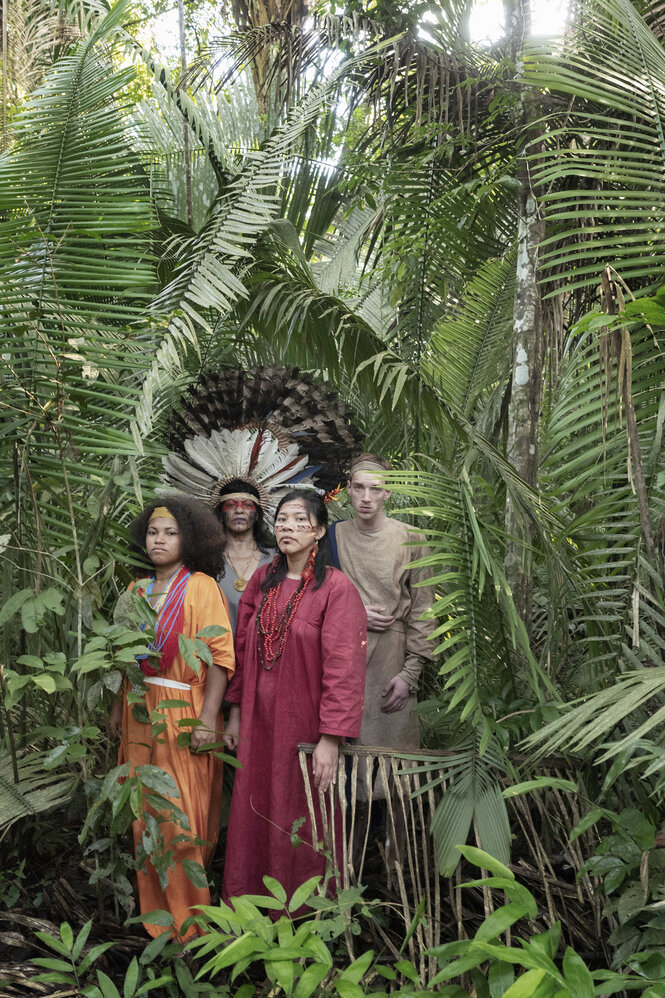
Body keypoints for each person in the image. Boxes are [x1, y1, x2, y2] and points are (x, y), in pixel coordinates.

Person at [222, 489, 366, 906]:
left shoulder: (336, 589)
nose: (287, 527)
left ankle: (306, 915)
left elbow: (345, 670)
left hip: (304, 725)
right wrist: (234, 715)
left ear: (320, 530)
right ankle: (248, 907)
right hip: (256, 721)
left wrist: (331, 739)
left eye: (300, 520)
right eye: (282, 519)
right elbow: (243, 653)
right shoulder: (261, 581)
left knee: (300, 815)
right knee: (254, 808)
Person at [108, 497, 235, 940]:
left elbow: (220, 659)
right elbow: (122, 659)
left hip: (185, 712)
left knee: (181, 821)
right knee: (144, 817)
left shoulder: (202, 587)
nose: (159, 540)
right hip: (137, 712)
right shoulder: (134, 591)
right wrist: (114, 712)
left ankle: (192, 929)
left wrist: (207, 719)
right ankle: (156, 926)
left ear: (190, 539)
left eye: (170, 533)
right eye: (153, 532)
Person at [328, 454, 435, 771]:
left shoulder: (412, 538)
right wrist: (354, 613)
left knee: (391, 764)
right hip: (341, 657)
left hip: (391, 657)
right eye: (359, 488)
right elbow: (314, 598)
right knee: (340, 758)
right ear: (348, 488)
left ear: (388, 492)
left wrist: (409, 675)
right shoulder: (332, 536)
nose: (366, 498)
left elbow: (424, 610)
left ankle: (394, 822)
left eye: (375, 489)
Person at [215, 479, 274, 634]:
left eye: (247, 505)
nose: (239, 510)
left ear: (256, 515)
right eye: (231, 505)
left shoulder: (277, 559)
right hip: (219, 653)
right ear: (221, 514)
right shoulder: (207, 561)